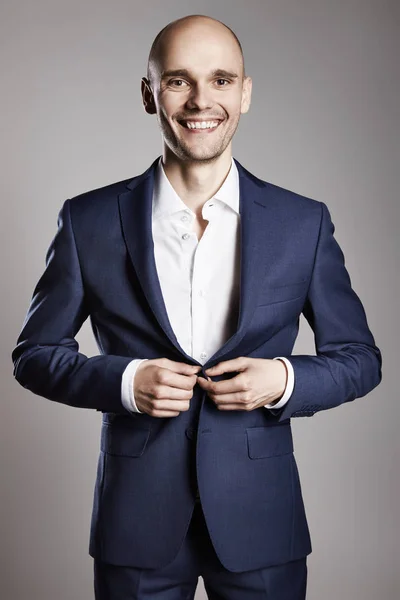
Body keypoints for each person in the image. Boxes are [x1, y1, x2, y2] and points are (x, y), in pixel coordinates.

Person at [11, 13, 382, 600]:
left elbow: (361, 358)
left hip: (263, 522)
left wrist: (283, 379)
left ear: (246, 92)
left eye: (221, 80)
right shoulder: (88, 221)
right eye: (179, 81)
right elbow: (33, 355)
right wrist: (129, 382)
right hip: (134, 525)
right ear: (149, 93)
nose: (201, 101)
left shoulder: (302, 222)